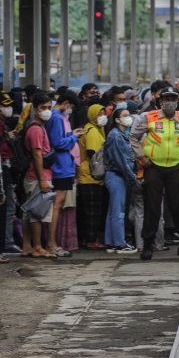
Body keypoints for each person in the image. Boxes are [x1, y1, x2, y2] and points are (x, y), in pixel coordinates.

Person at [130, 86, 179, 260]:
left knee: (178, 205)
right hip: (154, 167)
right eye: (167, 99)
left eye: (174, 99)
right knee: (152, 206)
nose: (170, 102)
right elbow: (133, 137)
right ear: (160, 102)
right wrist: (141, 157)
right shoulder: (148, 117)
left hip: (176, 166)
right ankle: (148, 244)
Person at [45, 90, 85, 257]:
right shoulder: (56, 117)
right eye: (71, 106)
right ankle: (51, 244)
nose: (70, 110)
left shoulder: (55, 117)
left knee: (57, 205)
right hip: (60, 167)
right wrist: (74, 138)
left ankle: (52, 242)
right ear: (67, 103)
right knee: (57, 205)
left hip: (62, 166)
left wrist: (71, 135)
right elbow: (58, 143)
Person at [21, 92, 55, 258]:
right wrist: (43, 180)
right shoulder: (36, 129)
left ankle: (27, 246)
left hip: (35, 176)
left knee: (29, 212)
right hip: (37, 176)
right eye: (43, 108)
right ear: (35, 110)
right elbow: (37, 155)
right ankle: (37, 247)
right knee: (37, 213)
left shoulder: (40, 127)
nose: (47, 111)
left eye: (49, 107)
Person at [103, 108, 138, 254]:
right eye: (124, 116)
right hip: (116, 175)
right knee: (118, 211)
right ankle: (120, 244)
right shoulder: (116, 135)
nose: (128, 118)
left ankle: (111, 242)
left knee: (113, 210)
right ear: (117, 120)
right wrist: (131, 177)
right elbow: (121, 160)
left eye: (128, 115)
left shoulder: (120, 135)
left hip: (116, 175)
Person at [78, 104, 108, 249]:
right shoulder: (92, 131)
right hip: (90, 176)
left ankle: (86, 239)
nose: (102, 116)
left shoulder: (97, 129)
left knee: (88, 210)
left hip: (89, 175)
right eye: (98, 114)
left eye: (103, 113)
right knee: (93, 210)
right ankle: (91, 240)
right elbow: (93, 154)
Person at [0, 92, 20, 255]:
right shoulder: (1, 125)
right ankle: (6, 243)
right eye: (4, 105)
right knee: (7, 209)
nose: (7, 109)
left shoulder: (4, 124)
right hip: (3, 171)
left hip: (5, 170)